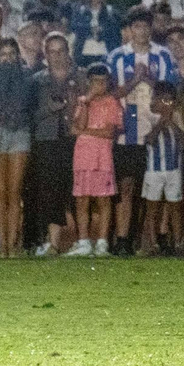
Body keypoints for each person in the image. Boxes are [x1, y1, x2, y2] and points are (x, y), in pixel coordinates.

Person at [106, 8, 178, 255]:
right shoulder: (116, 57)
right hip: (127, 131)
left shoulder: (164, 56)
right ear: (130, 29)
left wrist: (159, 125)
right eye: (137, 26)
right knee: (127, 185)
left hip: (157, 131)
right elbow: (110, 95)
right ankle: (124, 238)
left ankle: (156, 238)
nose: (142, 31)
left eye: (146, 26)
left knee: (157, 189)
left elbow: (169, 97)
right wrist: (135, 81)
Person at [0, 38, 34, 255]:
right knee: (0, 191)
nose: (8, 58)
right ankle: (1, 245)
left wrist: (13, 74)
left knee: (15, 191)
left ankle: (12, 245)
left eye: (12, 53)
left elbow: (23, 102)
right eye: (3, 54)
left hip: (19, 132)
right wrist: (5, 74)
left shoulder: (26, 76)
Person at [29, 32, 79, 257]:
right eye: (52, 51)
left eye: (61, 51)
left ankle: (84, 241)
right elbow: (29, 116)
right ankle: (54, 243)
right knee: (50, 192)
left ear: (68, 52)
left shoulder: (82, 78)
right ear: (45, 54)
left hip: (77, 140)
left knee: (78, 190)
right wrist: (48, 108)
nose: (57, 56)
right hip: (47, 141)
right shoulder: (36, 81)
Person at [69, 62, 119, 256]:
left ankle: (102, 242)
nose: (99, 85)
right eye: (95, 81)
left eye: (103, 81)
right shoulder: (83, 101)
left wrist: (84, 131)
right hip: (83, 156)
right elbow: (78, 124)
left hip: (102, 157)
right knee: (82, 199)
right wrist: (87, 101)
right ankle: (83, 242)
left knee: (103, 200)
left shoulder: (111, 102)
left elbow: (108, 132)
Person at [142, 80, 184, 256]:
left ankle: (178, 243)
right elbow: (149, 140)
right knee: (152, 208)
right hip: (154, 170)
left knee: (175, 207)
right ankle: (152, 244)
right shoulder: (148, 115)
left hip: (173, 169)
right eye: (163, 100)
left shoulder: (176, 116)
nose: (167, 104)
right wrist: (162, 122)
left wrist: (172, 122)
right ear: (156, 100)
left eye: (170, 100)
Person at [71, 0, 121, 65]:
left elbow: (115, 34)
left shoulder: (111, 13)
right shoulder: (80, 11)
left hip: (105, 56)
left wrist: (102, 32)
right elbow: (75, 28)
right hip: (83, 57)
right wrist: (90, 30)